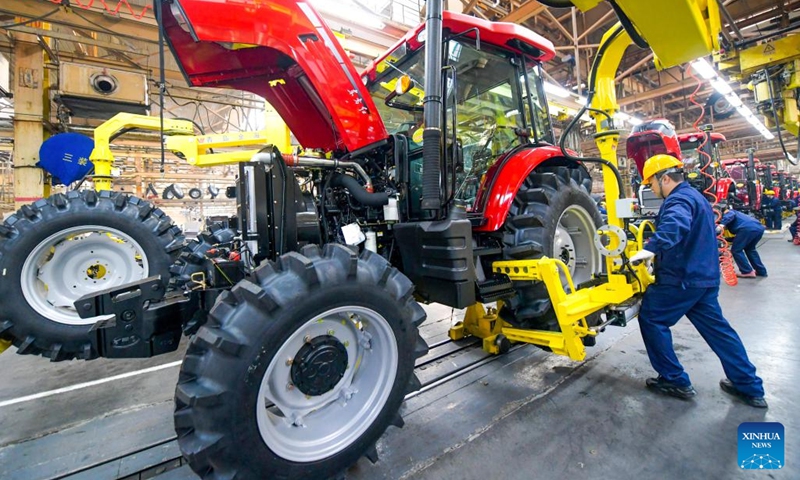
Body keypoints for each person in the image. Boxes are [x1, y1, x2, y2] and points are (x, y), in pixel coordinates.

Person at [629, 154, 767, 408]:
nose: (651, 189)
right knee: (720, 332)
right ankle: (749, 386)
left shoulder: (678, 200)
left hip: (682, 279)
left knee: (652, 318)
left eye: (651, 184)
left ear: (665, 178)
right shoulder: (696, 197)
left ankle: (674, 379)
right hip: (704, 278)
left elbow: (675, 224)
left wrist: (650, 249)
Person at [715, 203, 767, 278]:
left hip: (747, 229)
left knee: (736, 250)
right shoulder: (736, 214)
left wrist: (722, 225)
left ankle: (747, 271)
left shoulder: (729, 212)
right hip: (758, 228)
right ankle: (761, 271)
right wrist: (726, 239)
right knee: (750, 249)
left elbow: (730, 216)